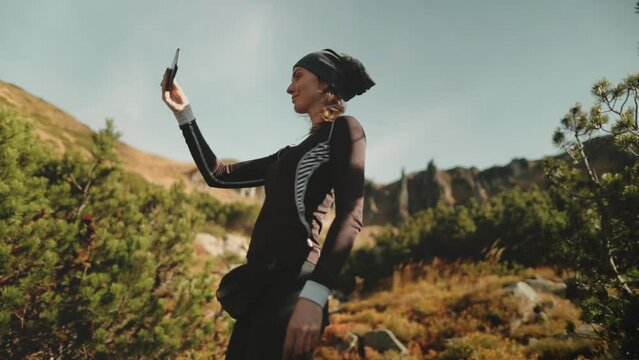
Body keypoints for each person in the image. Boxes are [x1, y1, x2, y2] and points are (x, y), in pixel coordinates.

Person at [160, 48, 374, 360]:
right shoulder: (287, 154)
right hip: (259, 289)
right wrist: (184, 113)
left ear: (325, 83)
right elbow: (218, 175)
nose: (290, 88)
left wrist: (314, 296)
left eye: (298, 77)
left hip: (294, 287)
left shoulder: (344, 129)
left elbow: (351, 216)